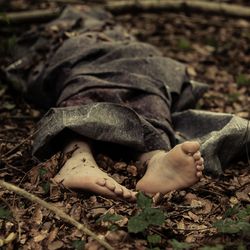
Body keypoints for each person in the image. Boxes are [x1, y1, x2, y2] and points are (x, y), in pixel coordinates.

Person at [4, 6, 248, 201]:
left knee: (146, 84)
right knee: (90, 82)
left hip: (134, 58)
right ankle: (77, 159)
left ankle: (154, 160)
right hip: (82, 56)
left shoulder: (116, 30)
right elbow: (31, 58)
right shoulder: (59, 26)